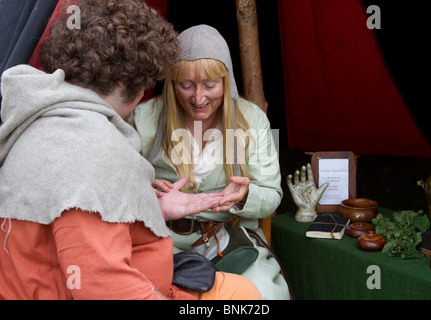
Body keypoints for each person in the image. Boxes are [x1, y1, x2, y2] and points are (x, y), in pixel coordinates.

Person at [0, 0, 262, 300]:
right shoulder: (91, 148)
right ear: (134, 86)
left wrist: (147, 206)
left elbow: (67, 210)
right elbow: (102, 286)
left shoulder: (41, 120)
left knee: (241, 289)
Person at [134, 24, 290, 300]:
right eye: (186, 85)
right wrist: (147, 193)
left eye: (210, 85)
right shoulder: (144, 117)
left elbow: (273, 195)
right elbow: (115, 186)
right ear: (172, 82)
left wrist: (244, 197)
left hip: (229, 242)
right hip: (160, 241)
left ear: (226, 81)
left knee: (260, 295)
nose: (198, 98)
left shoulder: (254, 119)